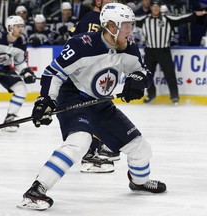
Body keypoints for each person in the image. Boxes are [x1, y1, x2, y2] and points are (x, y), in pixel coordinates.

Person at [17, 2, 167, 211]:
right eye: (126, 25)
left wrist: (139, 80)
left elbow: (143, 72)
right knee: (80, 141)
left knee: (141, 148)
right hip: (74, 99)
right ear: (111, 26)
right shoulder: (83, 44)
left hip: (102, 104)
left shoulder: (129, 47)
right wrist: (46, 100)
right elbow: (53, 72)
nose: (130, 30)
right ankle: (35, 191)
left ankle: (138, 182)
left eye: (131, 25)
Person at [69, 0, 121, 174]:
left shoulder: (113, 18)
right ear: (98, 2)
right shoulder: (91, 17)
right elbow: (75, 42)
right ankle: (90, 152)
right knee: (92, 111)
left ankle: (97, 146)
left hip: (102, 72)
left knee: (99, 109)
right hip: (88, 74)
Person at [135, 0, 207, 105]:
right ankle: (151, 95)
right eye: (153, 6)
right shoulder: (144, 19)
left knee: (170, 75)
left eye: (157, 6)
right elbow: (130, 19)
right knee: (147, 76)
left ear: (159, 8)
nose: (155, 8)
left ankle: (174, 97)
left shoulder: (167, 19)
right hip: (150, 51)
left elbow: (182, 18)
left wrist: (195, 14)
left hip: (164, 51)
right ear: (151, 8)